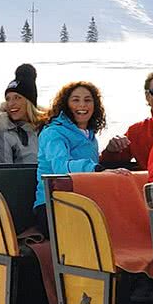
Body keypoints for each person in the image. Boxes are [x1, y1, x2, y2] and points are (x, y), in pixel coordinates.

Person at [34, 81, 116, 214]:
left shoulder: (90, 136)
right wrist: (96, 169)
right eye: (75, 100)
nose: (82, 105)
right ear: (66, 105)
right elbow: (60, 167)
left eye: (87, 100)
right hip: (52, 204)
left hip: (84, 201)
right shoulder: (53, 133)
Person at [99, 71, 153, 170]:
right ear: (147, 96)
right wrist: (111, 150)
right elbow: (108, 164)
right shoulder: (135, 131)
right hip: (146, 183)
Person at [0, 64, 43, 164]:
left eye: (17, 98)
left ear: (29, 102)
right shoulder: (5, 132)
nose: (11, 103)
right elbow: (6, 171)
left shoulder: (47, 127)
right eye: (8, 99)